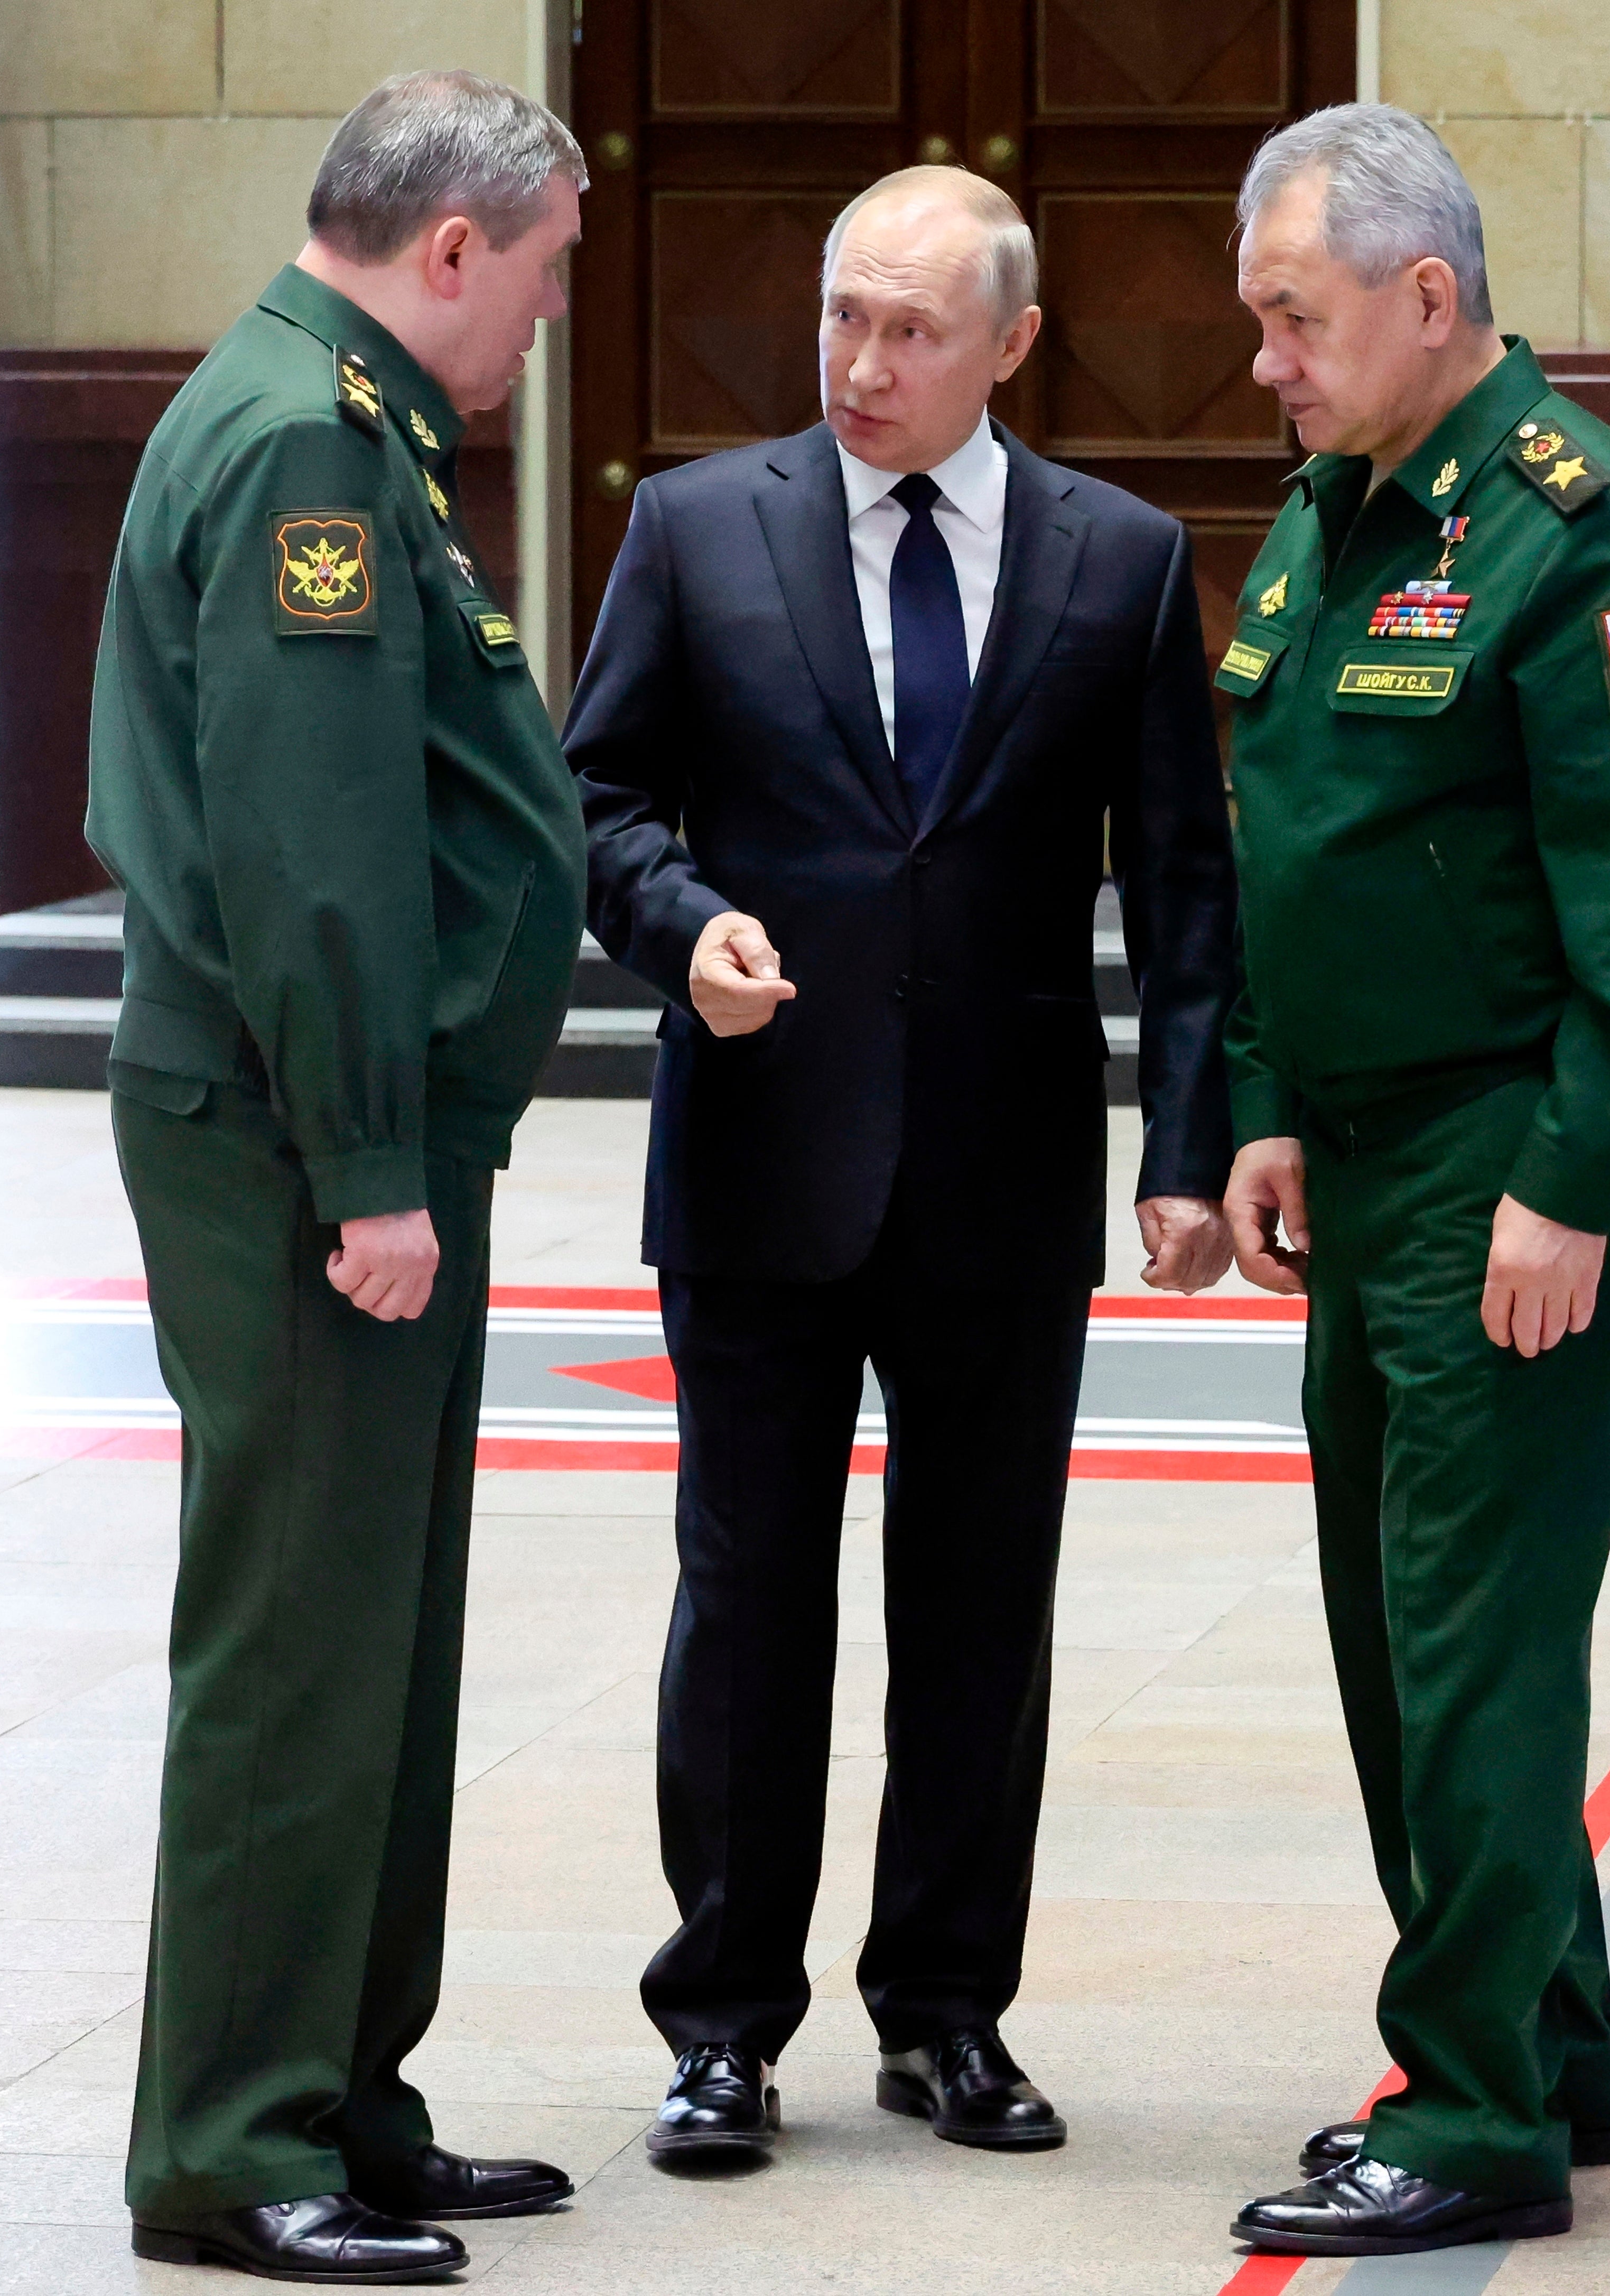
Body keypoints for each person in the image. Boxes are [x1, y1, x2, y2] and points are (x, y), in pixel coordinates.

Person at [564, 165, 1238, 2169]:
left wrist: (1189, 1147)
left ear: (1012, 345)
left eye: (913, 330)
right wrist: (683, 925)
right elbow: (596, 795)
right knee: (748, 1600)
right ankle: (721, 2025)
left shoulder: (1119, 562)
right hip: (764, 1160)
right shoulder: (696, 528)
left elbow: (1188, 883)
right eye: (844, 317)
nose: (861, 363)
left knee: (977, 1610)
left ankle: (945, 2011)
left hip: (1003, 1177)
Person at [1209, 105, 1610, 2258]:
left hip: (1503, 1155)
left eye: (1294, 319)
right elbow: (1290, 845)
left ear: (1430, 301)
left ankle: (1477, 2101)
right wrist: (1256, 1098)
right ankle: (1558, 2045)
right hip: (1356, 1148)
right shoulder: (1331, 516)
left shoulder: (1586, 534)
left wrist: (1574, 1180)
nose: (1265, 364)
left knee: (1470, 1629)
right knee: (1402, 1627)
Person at [83, 72, 591, 2285]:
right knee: (300, 1640)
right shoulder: (309, 440)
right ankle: (229, 2142)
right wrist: (376, 1159)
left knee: (374, 1631)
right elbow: (307, 851)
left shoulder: (348, 419)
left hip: (345, 1132)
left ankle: (343, 2096)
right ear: (455, 251)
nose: (550, 323)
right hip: (303, 1145)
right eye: (552, 272)